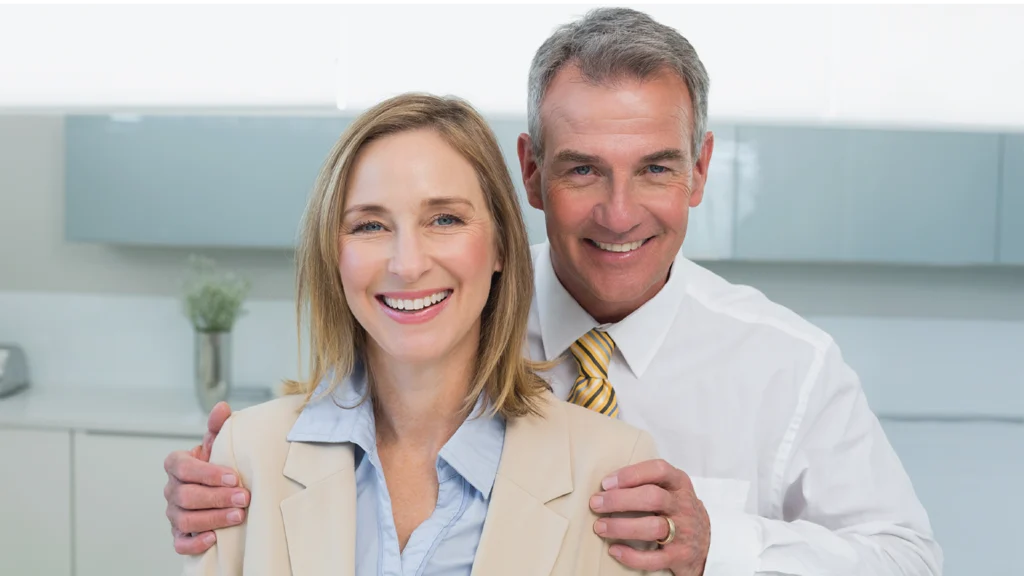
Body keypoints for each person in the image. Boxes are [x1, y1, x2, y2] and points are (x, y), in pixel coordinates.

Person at [166, 8, 942, 576]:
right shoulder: (447, 295)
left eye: (656, 168)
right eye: (582, 169)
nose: (619, 212)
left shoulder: (787, 365)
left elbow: (910, 562)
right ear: (530, 174)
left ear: (701, 169)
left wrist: (722, 546)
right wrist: (238, 483)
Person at [180, 93, 666, 575]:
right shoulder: (248, 455)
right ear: (334, 254)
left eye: (445, 219)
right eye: (370, 225)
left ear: (500, 245)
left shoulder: (610, 469)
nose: (407, 264)